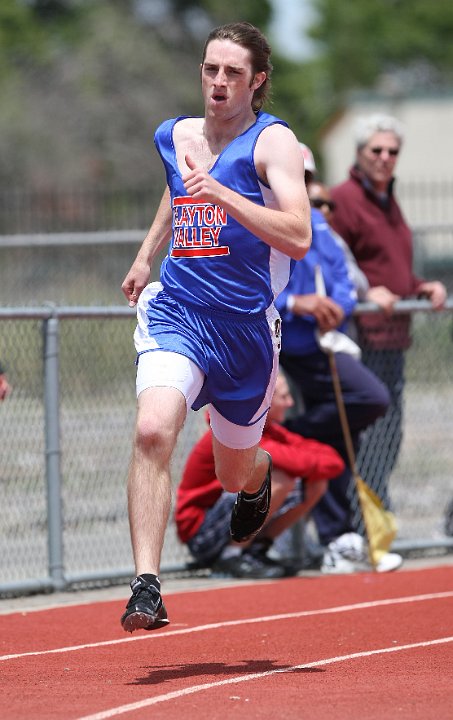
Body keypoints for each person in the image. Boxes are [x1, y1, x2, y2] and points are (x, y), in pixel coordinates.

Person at [119, 22, 311, 632]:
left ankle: (256, 480)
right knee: (153, 430)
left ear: (257, 81)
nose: (218, 83)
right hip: (179, 309)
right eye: (210, 70)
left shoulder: (272, 144)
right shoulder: (175, 134)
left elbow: (299, 236)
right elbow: (179, 192)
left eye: (232, 73)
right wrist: (146, 253)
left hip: (245, 330)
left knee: (233, 470)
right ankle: (146, 584)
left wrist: (223, 195)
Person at [275, 144, 400, 572]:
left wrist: (335, 309)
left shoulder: (318, 226)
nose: (307, 191)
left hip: (326, 344)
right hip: (289, 346)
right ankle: (338, 535)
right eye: (298, 179)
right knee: (371, 398)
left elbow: (345, 283)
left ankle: (339, 536)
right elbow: (254, 289)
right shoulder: (263, 220)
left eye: (309, 181)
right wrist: (298, 303)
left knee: (339, 431)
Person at [330, 113, 447, 510]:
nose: (384, 157)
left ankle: (374, 520)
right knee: (369, 435)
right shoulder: (344, 198)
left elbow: (391, 265)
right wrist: (363, 289)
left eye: (392, 151)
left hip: (393, 335)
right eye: (376, 150)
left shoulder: (388, 200)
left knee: (390, 436)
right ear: (359, 153)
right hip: (363, 335)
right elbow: (329, 261)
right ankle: (363, 524)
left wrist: (420, 286)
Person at [175, 371, 345, 579]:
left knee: (316, 483)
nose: (291, 403)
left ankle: (256, 550)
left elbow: (333, 462)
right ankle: (231, 557)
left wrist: (309, 464)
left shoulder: (270, 430)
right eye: (284, 397)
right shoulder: (236, 431)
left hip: (227, 523)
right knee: (281, 479)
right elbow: (295, 461)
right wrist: (307, 463)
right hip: (201, 534)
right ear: (266, 401)